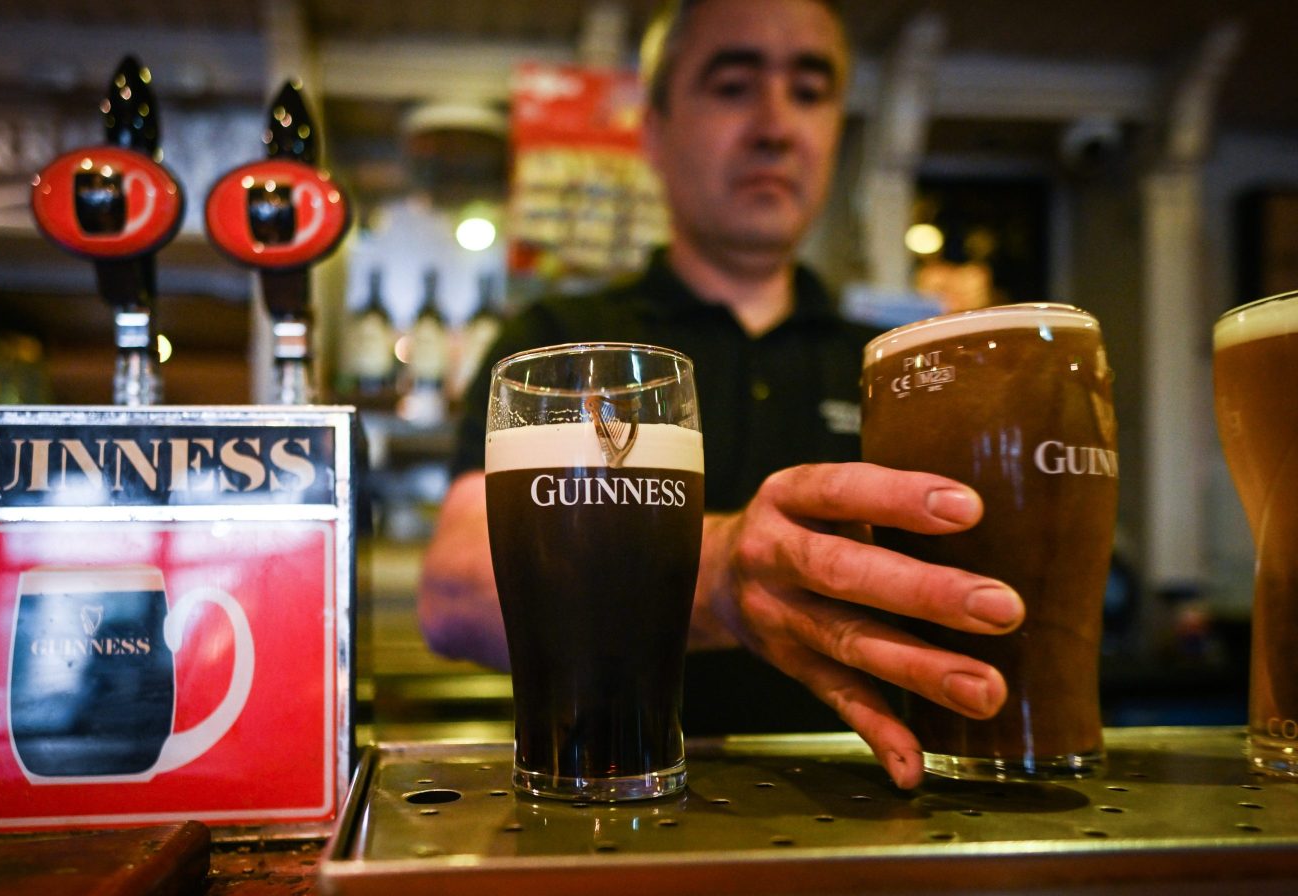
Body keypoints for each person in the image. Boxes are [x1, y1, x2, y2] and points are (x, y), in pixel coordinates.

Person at [418, 0, 1024, 791]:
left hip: (870, 804)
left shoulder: (893, 364)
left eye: (810, 93)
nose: (776, 126)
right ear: (654, 131)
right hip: (604, 807)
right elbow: (452, 596)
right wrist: (722, 573)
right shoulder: (562, 341)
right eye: (734, 86)